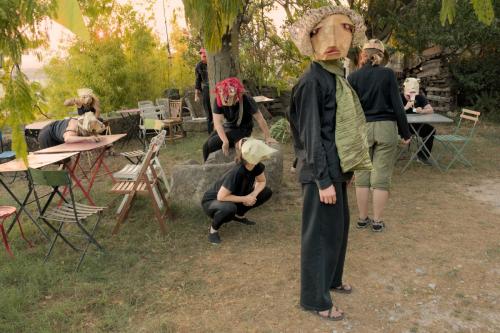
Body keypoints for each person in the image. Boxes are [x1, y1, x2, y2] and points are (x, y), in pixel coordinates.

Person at [289, 6, 371, 321]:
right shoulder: (313, 80)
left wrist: (344, 171)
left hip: (335, 168)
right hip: (319, 172)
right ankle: (315, 300)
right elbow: (311, 136)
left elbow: (338, 128)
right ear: (312, 38)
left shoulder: (335, 74)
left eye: (344, 30)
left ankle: (332, 280)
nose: (336, 39)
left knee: (337, 229)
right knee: (319, 235)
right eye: (327, 31)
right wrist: (323, 180)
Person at [347, 39, 412, 232]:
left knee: (362, 175)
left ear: (363, 55)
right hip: (386, 128)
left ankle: (361, 219)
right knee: (381, 176)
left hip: (362, 129)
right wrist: (405, 132)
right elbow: (397, 105)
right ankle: (376, 221)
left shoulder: (353, 77)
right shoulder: (388, 74)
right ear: (382, 56)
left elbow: (350, 110)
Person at [201, 137, 276, 244]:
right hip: (212, 202)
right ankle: (213, 231)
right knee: (229, 208)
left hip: (233, 197)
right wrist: (246, 198)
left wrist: (253, 195)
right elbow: (221, 197)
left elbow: (262, 182)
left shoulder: (257, 166)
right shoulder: (237, 171)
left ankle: (239, 215)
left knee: (266, 192)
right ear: (253, 157)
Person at [202, 77, 277, 162]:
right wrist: (225, 141)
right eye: (223, 96)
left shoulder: (247, 99)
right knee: (205, 146)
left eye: (228, 96)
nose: (225, 99)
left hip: (243, 129)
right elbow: (217, 123)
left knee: (212, 143)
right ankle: (205, 167)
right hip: (228, 127)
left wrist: (268, 137)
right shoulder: (219, 98)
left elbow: (260, 118)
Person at [401, 77, 434, 165]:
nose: (411, 97)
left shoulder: (419, 97)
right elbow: (393, 113)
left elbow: (431, 110)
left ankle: (422, 157)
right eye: (409, 95)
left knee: (430, 130)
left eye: (413, 94)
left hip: (416, 125)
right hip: (401, 126)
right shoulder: (398, 97)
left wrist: (422, 111)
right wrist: (406, 107)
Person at [38, 112, 106, 149]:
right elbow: (67, 139)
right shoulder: (73, 127)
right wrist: (88, 138)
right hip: (46, 136)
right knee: (64, 160)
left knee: (66, 161)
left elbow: (91, 132)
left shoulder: (82, 122)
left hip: (54, 132)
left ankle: (66, 173)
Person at [194, 48, 213, 134]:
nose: (203, 56)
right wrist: (196, 95)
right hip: (206, 89)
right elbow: (197, 81)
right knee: (208, 113)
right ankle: (210, 133)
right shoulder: (198, 66)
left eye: (205, 54)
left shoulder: (213, 62)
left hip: (216, 88)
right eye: (201, 54)